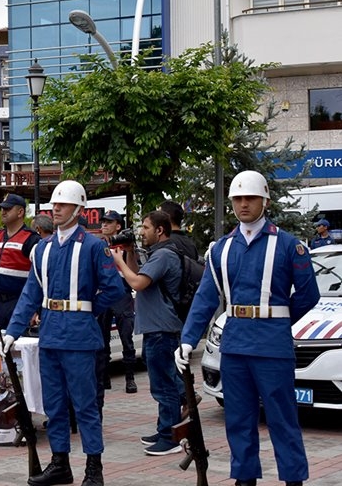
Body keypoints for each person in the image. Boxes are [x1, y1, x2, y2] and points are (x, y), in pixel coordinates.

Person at [176, 170, 319, 486]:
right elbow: (205, 298)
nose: (243, 204)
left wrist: (278, 319)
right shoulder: (222, 249)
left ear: (265, 201)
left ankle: (293, 479)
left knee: (283, 419)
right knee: (238, 420)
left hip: (272, 346)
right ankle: (244, 479)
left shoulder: (287, 245)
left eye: (250, 198)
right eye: (238, 198)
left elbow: (309, 294)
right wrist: (188, 339)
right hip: (236, 345)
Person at [1, 180, 124, 486]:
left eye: (63, 205)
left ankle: (94, 466)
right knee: (54, 404)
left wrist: (87, 310)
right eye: (54, 205)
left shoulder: (94, 246)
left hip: (80, 336)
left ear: (79, 210)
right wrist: (13, 331)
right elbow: (31, 292)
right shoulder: (41, 249)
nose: (55, 209)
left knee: (85, 405)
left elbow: (113, 288)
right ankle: (60, 463)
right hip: (51, 333)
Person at [112, 211, 183, 456]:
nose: (142, 232)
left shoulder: (163, 255)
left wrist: (118, 260)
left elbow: (137, 283)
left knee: (164, 386)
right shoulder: (159, 254)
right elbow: (139, 274)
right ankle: (165, 428)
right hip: (158, 329)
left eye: (145, 227)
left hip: (162, 330)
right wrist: (130, 253)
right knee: (163, 383)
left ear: (159, 230)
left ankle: (170, 436)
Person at [0, 193, 41, 330]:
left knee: (19, 347)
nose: (3, 212)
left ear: (20, 212)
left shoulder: (32, 239)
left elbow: (39, 276)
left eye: (8, 209)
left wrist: (35, 308)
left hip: (20, 302)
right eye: (2, 209)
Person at [96, 210, 137, 394]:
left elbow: (133, 271)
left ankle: (130, 378)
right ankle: (104, 378)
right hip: (103, 293)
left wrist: (129, 250)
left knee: (126, 338)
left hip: (122, 293)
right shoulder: (97, 245)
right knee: (102, 339)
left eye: (108, 222)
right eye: (103, 222)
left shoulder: (124, 245)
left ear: (118, 226)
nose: (104, 225)